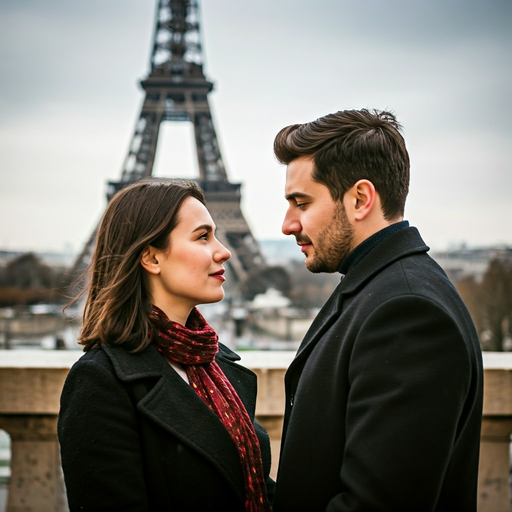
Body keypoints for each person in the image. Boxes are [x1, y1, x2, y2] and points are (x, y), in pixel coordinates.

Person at [271, 109, 483, 512]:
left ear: (360, 199)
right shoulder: (385, 287)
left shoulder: (408, 313)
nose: (287, 224)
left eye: (301, 203)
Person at [58, 178, 274, 512]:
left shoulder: (216, 368)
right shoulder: (100, 382)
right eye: (203, 236)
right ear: (151, 258)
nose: (224, 251)